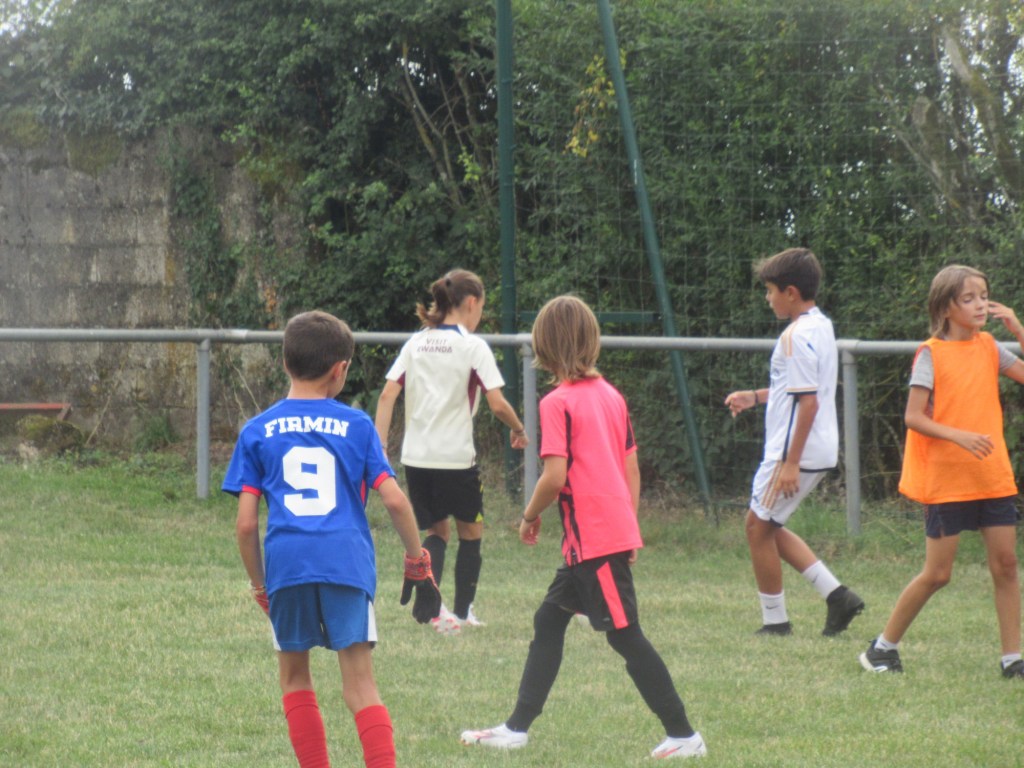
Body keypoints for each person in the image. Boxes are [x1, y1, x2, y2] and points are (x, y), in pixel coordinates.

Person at [459, 295, 706, 760]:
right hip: (594, 539)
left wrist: (528, 516)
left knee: (625, 635)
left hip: (595, 539)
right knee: (549, 619)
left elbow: (554, 477)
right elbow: (631, 469)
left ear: (544, 347)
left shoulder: (557, 403)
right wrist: (629, 526)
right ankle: (516, 728)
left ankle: (684, 735)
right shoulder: (612, 395)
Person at [223, 310, 441, 768]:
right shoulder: (358, 426)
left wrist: (260, 585)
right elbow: (395, 501)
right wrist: (417, 560)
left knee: (294, 679)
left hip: (287, 565)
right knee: (360, 685)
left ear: (285, 362)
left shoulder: (257, 430)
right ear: (340, 370)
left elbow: (245, 525)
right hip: (346, 563)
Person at [859, 265, 1024, 678]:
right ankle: (881, 649)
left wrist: (1019, 330)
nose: (980, 305)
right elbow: (913, 416)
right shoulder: (931, 353)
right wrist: (959, 436)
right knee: (938, 574)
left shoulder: (990, 346)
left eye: (983, 296)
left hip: (992, 477)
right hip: (947, 481)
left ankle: (1012, 659)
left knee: (1006, 565)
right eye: (968, 299)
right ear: (945, 308)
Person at [375, 269, 528, 633]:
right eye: (482, 307)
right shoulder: (472, 347)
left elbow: (387, 395)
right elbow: (497, 404)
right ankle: (461, 612)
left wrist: (379, 447)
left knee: (435, 533)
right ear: (471, 302)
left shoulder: (416, 343)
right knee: (471, 533)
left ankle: (433, 610)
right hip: (456, 459)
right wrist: (519, 429)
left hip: (416, 457)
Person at [724, 248, 864, 637]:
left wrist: (790, 461)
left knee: (757, 527)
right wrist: (756, 396)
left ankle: (776, 623)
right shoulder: (820, 326)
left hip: (794, 452)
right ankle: (838, 596)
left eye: (770, 290)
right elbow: (801, 388)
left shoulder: (795, 336)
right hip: (817, 447)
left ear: (790, 292)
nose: (767, 298)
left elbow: (808, 402)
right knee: (768, 524)